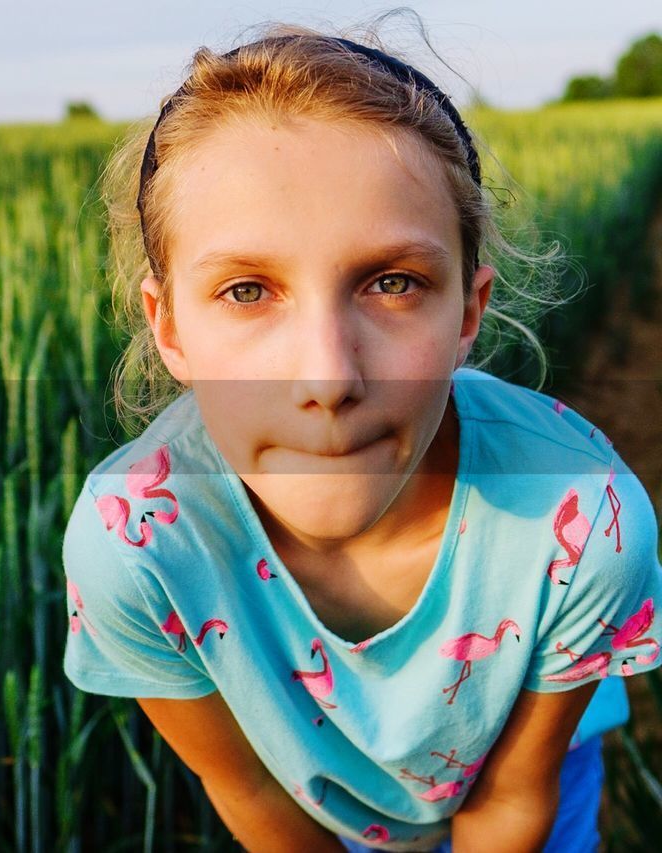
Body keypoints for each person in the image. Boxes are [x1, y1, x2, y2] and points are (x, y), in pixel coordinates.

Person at [61, 18, 662, 853]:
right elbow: (252, 785)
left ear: (470, 312)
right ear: (169, 328)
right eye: (245, 291)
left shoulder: (582, 520)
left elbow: (512, 797)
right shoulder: (136, 546)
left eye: (392, 282)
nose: (328, 377)